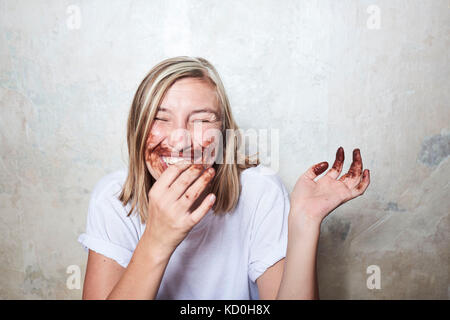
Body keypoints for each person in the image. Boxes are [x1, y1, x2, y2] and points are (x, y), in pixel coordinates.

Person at [78, 56, 370, 300]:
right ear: (137, 128)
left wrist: (304, 222)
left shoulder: (261, 192)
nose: (180, 140)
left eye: (202, 120)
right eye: (160, 117)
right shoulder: (113, 198)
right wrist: (158, 238)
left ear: (223, 135)